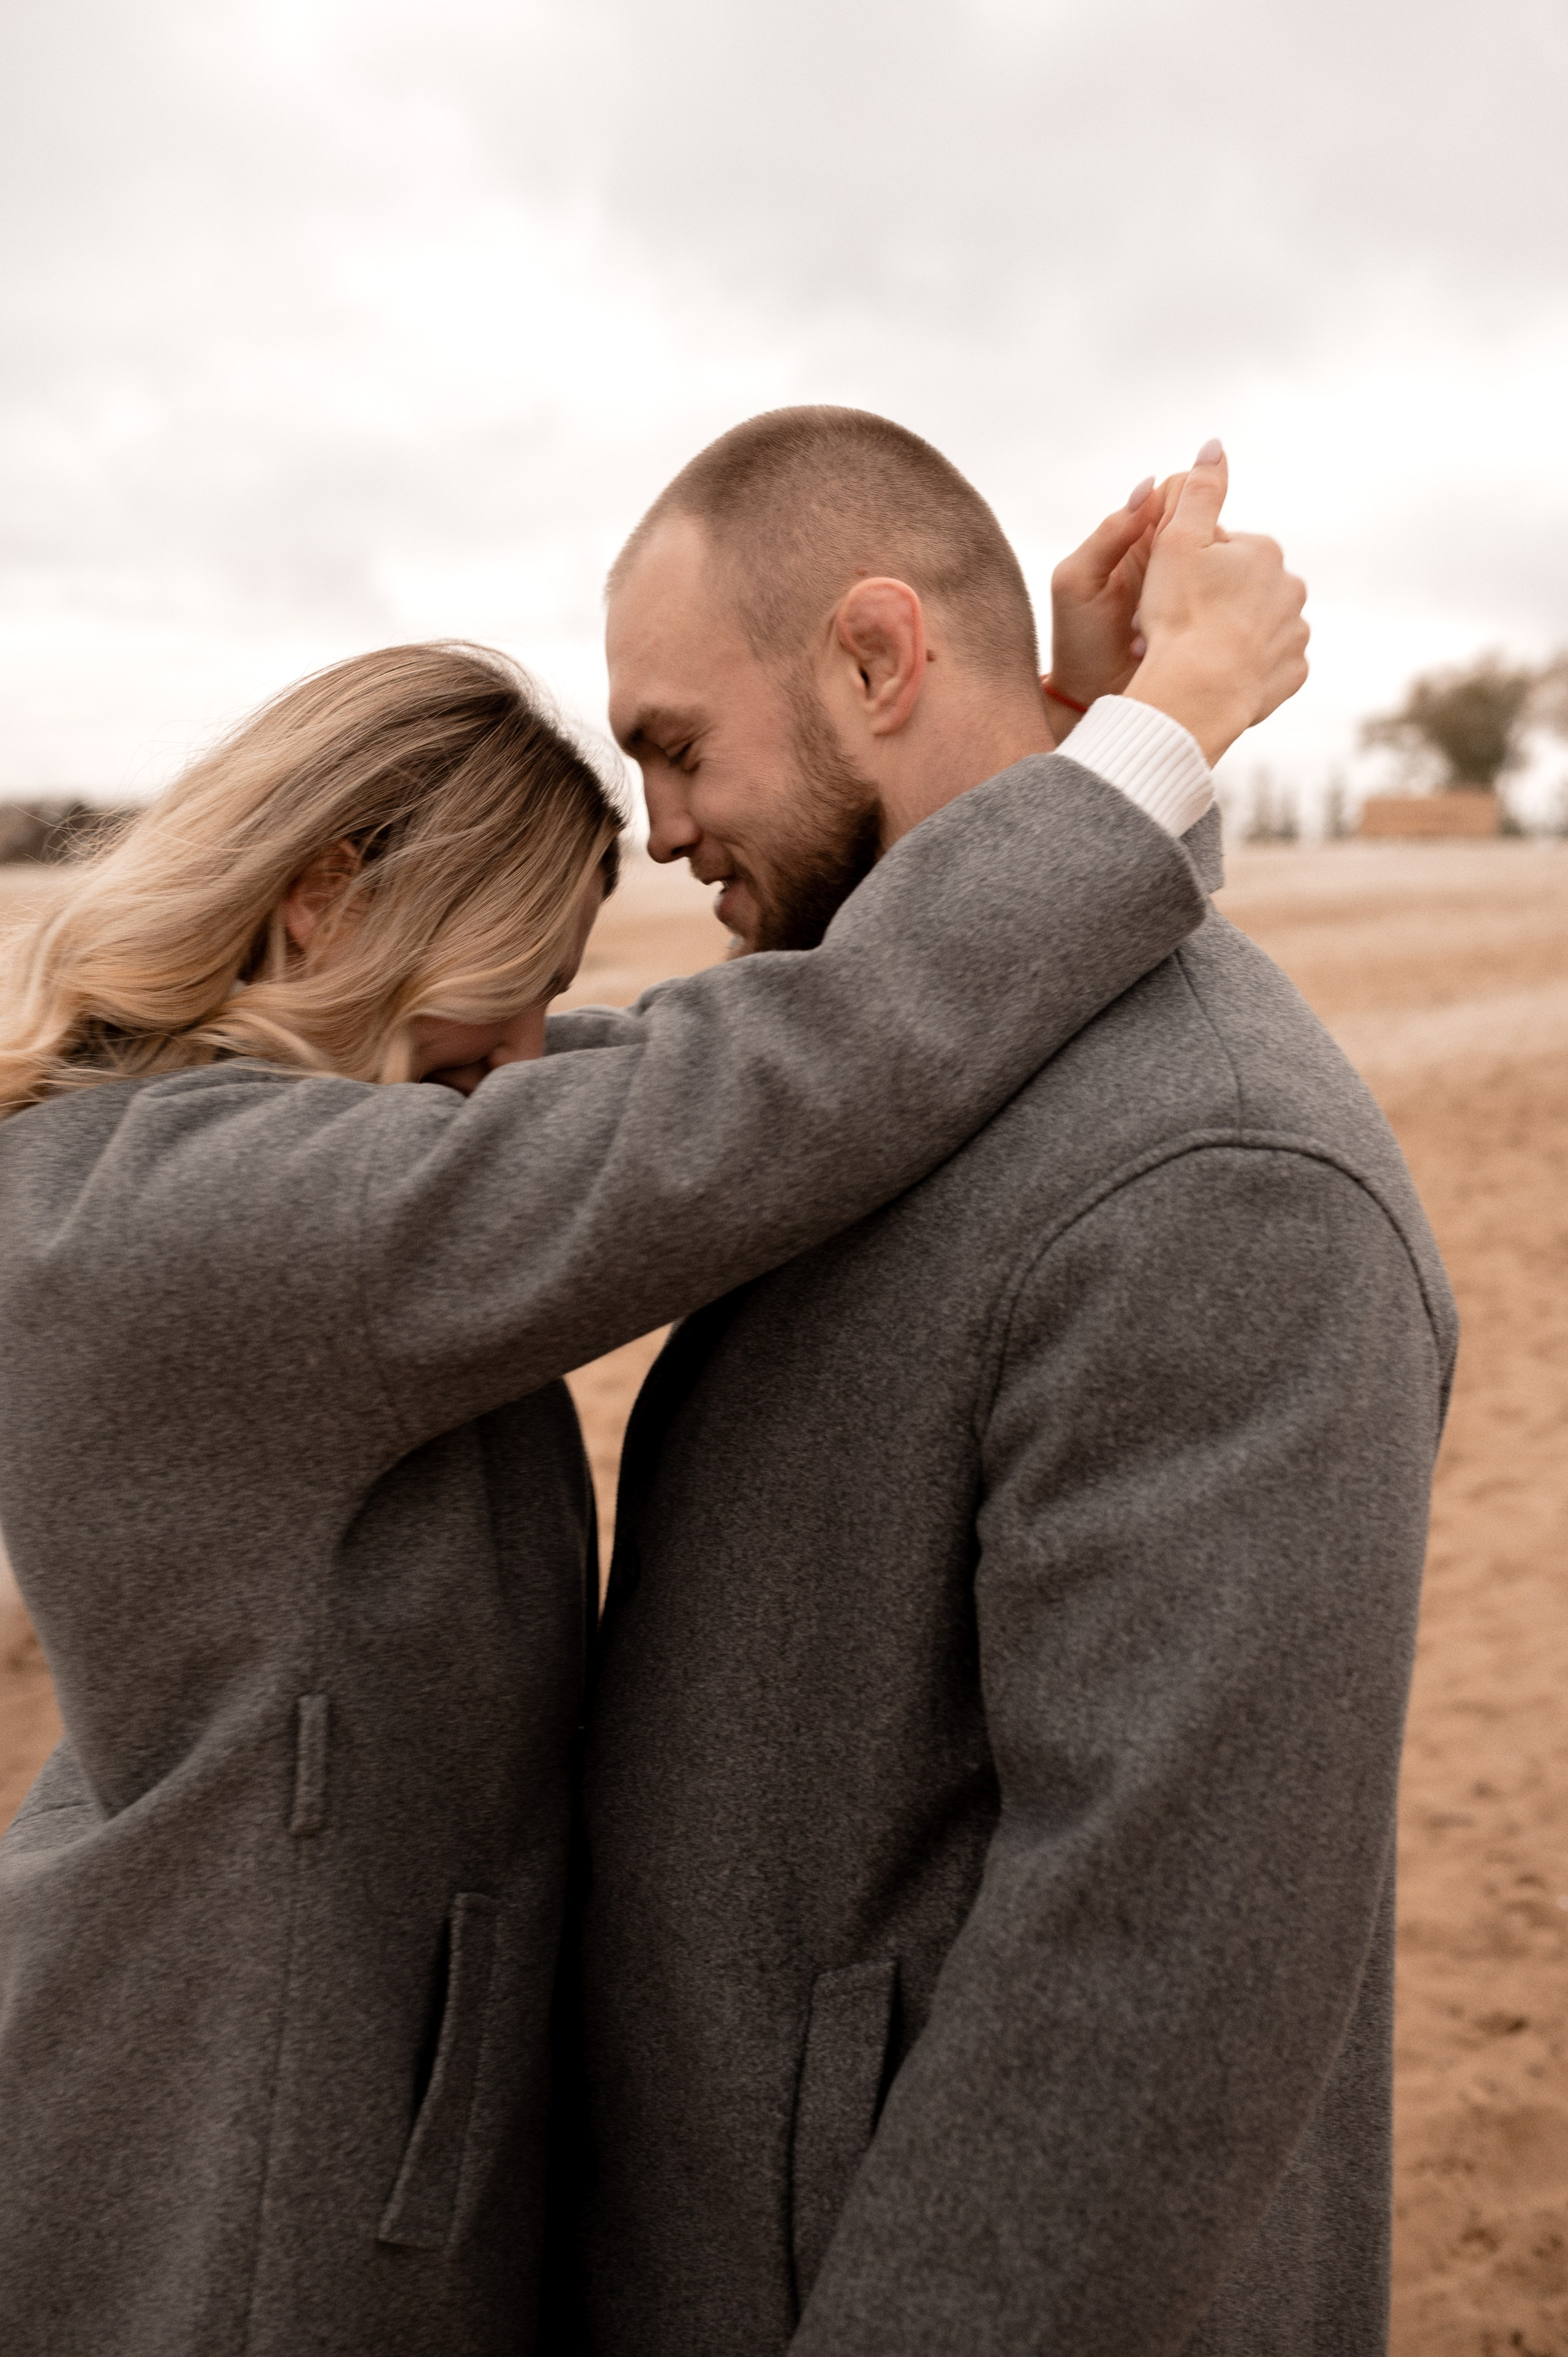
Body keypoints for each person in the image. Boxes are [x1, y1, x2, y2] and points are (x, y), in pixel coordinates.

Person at [0, 545, 1276, 2357]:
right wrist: (1160, 741)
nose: (528, 1049)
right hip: (234, 2185)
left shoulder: (262, 1138)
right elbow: (768, 1094)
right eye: (508, 984)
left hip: (263, 2093)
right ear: (321, 904)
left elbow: (785, 1052)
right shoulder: (203, 1220)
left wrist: (1031, 750)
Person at [564, 410, 1457, 2356]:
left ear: (878, 660)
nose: (658, 830)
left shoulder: (1224, 1184)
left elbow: (1151, 2014)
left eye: (673, 743)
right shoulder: (857, 1074)